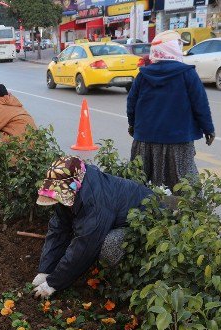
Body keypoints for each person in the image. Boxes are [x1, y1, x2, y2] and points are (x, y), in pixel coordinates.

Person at [31, 156, 153, 298]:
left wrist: (52, 283)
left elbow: (85, 246)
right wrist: (45, 270)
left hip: (145, 224)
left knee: (109, 245)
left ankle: (120, 281)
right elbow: (58, 229)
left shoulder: (94, 201)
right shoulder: (76, 187)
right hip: (116, 218)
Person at [127, 30, 215, 191]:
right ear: (174, 48)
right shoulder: (187, 74)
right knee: (184, 187)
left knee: (140, 186)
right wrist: (208, 129)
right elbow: (200, 104)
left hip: (145, 139)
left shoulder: (143, 76)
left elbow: (131, 103)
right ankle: (186, 214)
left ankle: (145, 214)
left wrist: (132, 125)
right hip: (179, 142)